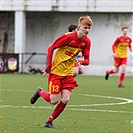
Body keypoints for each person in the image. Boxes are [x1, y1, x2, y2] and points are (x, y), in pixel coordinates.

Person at [30, 15, 93, 128]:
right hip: (56, 72)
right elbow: (51, 47)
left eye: (89, 28)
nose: (87, 30)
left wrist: (80, 63)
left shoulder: (86, 42)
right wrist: (49, 66)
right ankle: (39, 92)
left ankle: (49, 121)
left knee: (65, 99)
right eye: (85, 27)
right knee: (54, 100)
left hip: (68, 74)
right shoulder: (67, 37)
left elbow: (87, 60)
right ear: (79, 27)